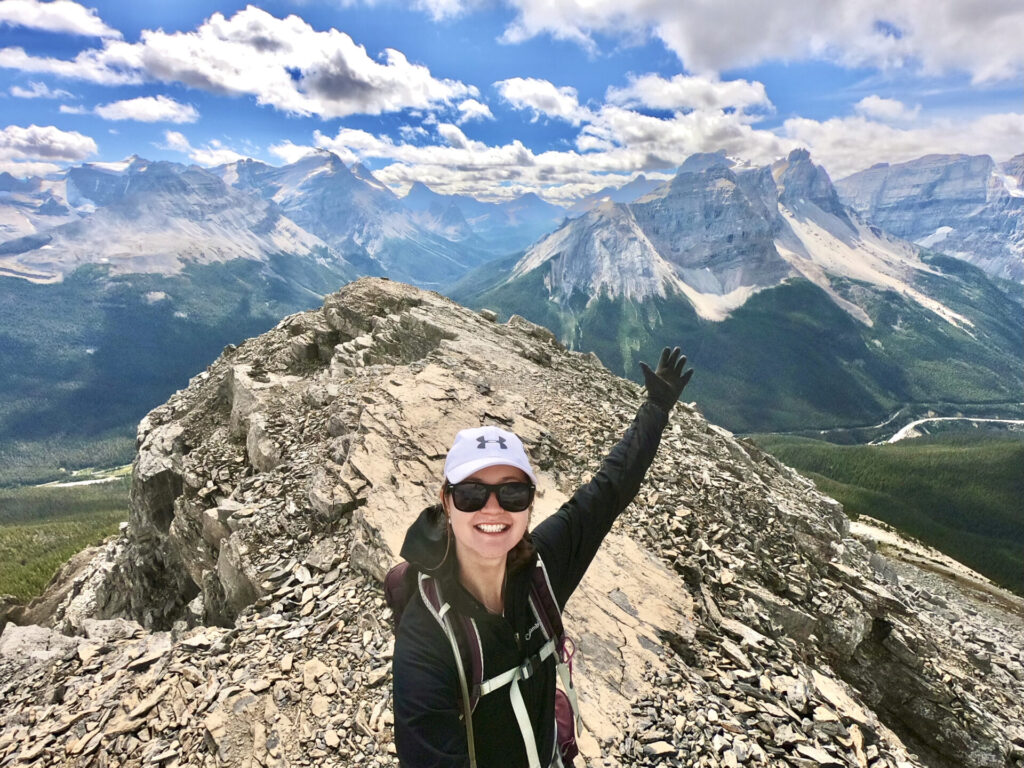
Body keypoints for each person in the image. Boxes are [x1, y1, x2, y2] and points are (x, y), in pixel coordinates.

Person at [392, 347, 694, 768]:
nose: (493, 509)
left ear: (531, 505)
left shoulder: (540, 571)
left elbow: (608, 491)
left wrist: (656, 408)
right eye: (472, 494)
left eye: (512, 493)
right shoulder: (427, 638)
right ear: (447, 503)